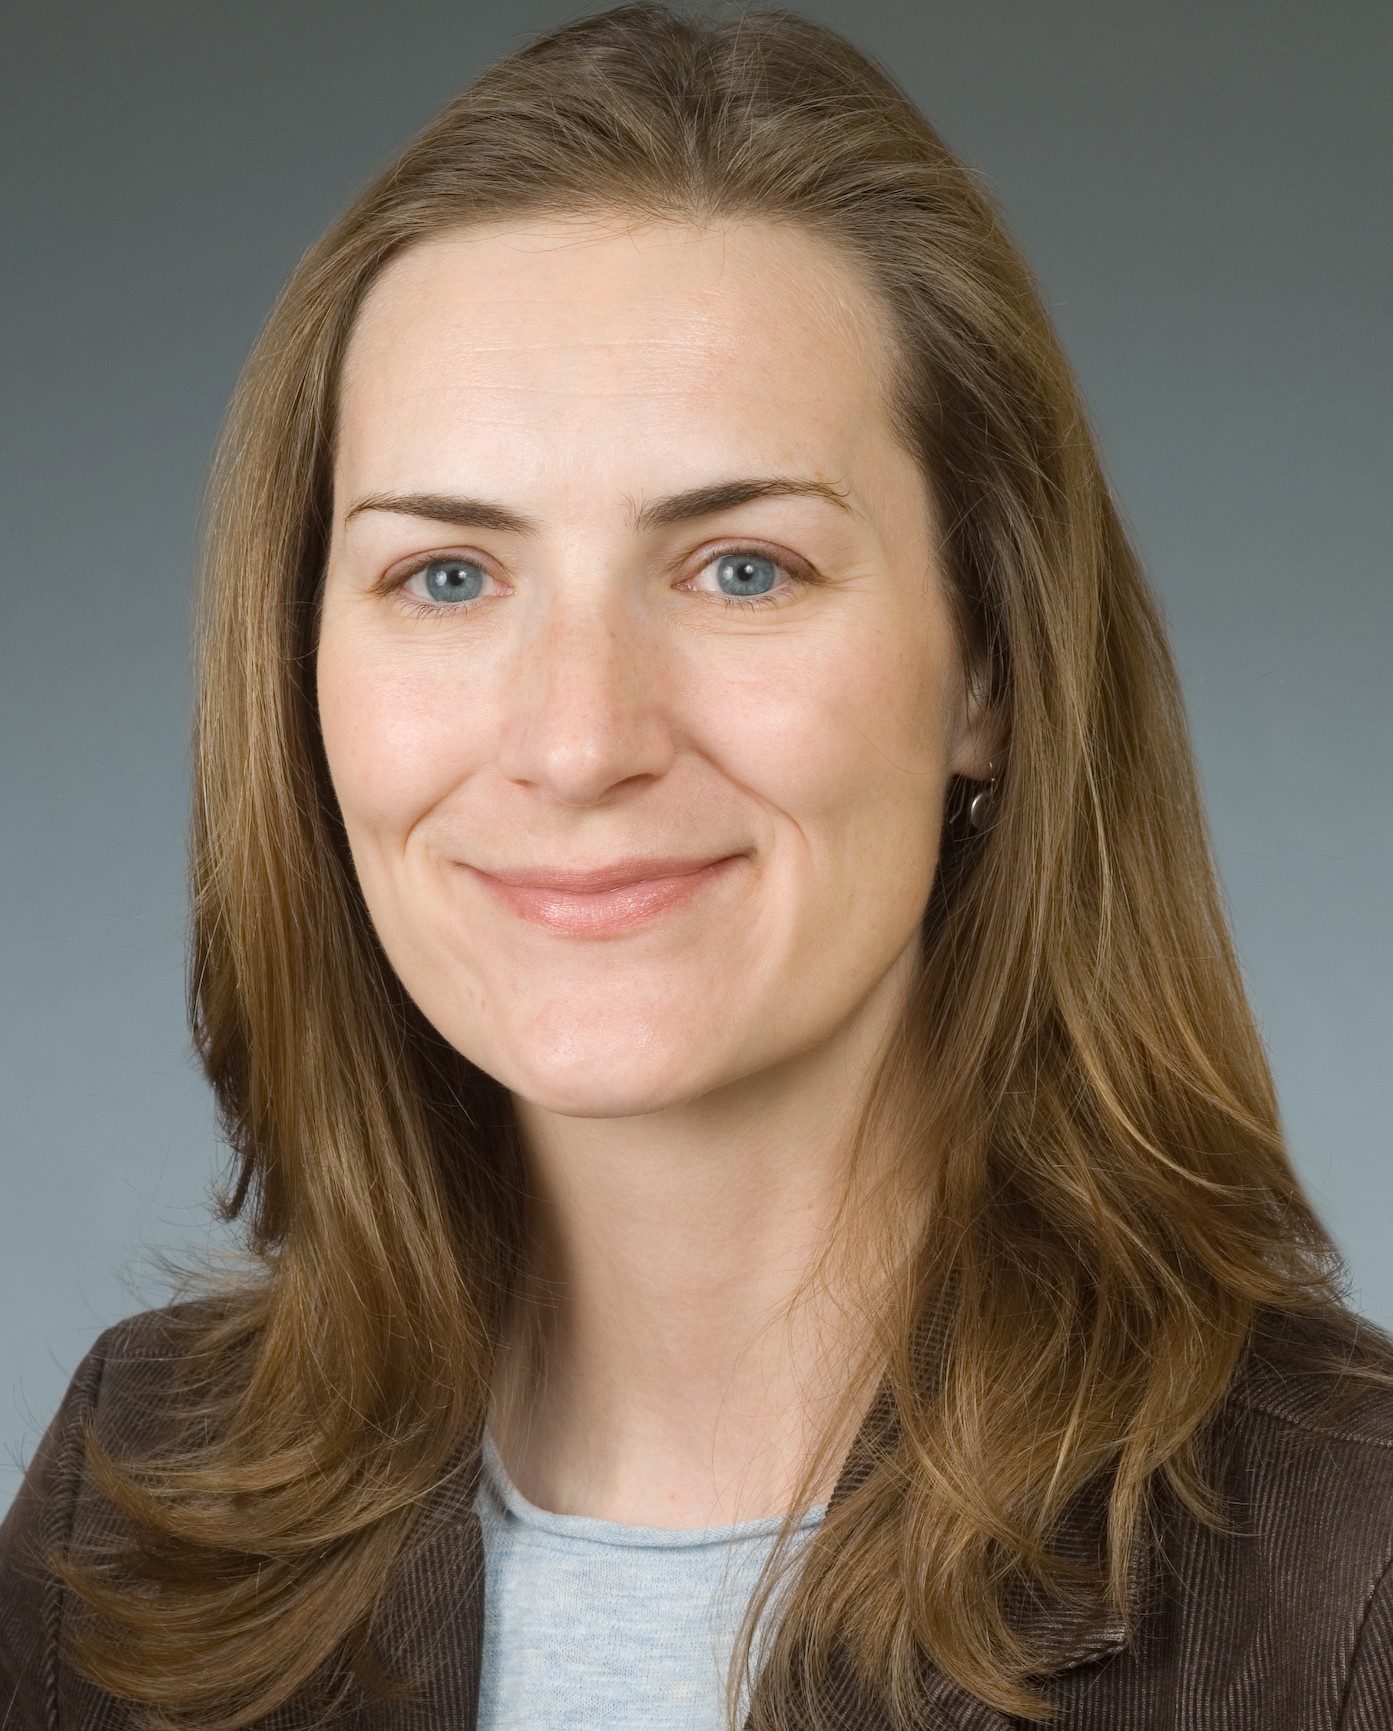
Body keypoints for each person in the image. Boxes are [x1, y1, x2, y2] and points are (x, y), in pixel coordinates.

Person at [2, 5, 1391, 1728]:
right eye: (447, 577)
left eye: (740, 568)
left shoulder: (1348, 1566)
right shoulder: (125, 1505)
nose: (579, 740)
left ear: (991, 672)